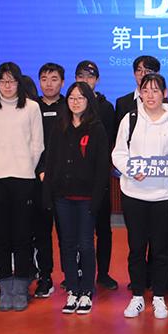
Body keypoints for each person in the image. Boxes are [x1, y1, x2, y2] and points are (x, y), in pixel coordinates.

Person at [111, 72, 168, 319]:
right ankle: (137, 296)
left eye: (156, 90)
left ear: (165, 93)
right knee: (136, 248)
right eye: (146, 90)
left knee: (161, 250)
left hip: (164, 196)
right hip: (134, 194)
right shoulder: (130, 118)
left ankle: (159, 297)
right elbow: (118, 153)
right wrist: (131, 169)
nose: (150, 95)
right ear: (140, 93)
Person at [0, 62, 46, 312]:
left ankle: (21, 287)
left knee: (22, 236)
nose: (7, 86)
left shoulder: (31, 107)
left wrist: (25, 167)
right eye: (2, 81)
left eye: (11, 81)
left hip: (23, 178)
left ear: (19, 83)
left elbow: (37, 144)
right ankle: (5, 287)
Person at [43, 82, 110, 315]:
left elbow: (102, 168)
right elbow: (51, 161)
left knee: (86, 244)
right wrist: (48, 193)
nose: (75, 102)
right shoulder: (59, 126)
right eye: (71, 97)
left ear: (88, 101)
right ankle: (72, 289)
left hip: (87, 197)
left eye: (81, 98)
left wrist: (97, 198)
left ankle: (87, 291)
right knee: (67, 244)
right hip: (62, 195)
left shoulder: (96, 128)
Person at [74, 60, 119, 290]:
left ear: (97, 80)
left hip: (99, 178)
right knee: (76, 230)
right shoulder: (69, 106)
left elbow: (109, 143)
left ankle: (103, 273)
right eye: (81, 76)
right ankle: (77, 272)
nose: (85, 80)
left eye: (90, 76)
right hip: (74, 180)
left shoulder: (106, 107)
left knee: (103, 229)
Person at [31, 62, 66, 299]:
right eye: (44, 79)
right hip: (38, 179)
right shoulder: (31, 107)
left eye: (54, 79)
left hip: (65, 180)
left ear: (62, 82)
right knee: (41, 232)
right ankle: (45, 276)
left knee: (68, 233)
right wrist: (40, 169)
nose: (49, 84)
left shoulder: (70, 105)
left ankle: (72, 276)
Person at [114, 55, 163, 128]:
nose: (142, 74)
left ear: (157, 74)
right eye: (139, 70)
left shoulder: (167, 103)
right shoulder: (122, 103)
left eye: (148, 71)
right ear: (134, 73)